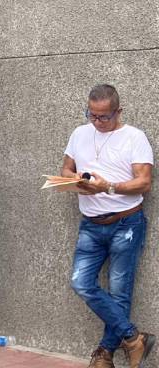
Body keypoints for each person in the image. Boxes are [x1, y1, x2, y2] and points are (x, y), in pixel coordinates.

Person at [62, 85, 154, 368]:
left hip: (126, 223)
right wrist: (76, 181)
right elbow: (65, 169)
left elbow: (144, 182)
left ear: (118, 111)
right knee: (81, 283)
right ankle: (133, 337)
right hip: (90, 224)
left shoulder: (134, 137)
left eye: (104, 117)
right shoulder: (79, 133)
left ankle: (104, 354)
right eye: (92, 115)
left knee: (118, 292)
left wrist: (108, 187)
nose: (98, 122)